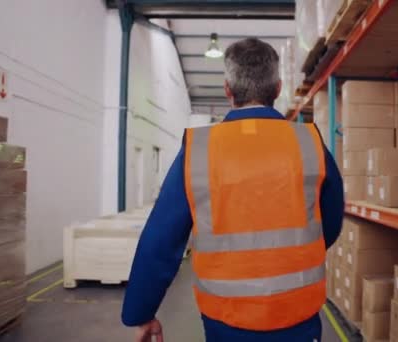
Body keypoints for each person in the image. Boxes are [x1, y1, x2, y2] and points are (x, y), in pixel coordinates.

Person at [122, 38, 344, 342]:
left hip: (226, 319)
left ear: (228, 89)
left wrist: (141, 312)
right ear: (278, 88)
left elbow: (161, 238)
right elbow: (330, 221)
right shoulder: (310, 142)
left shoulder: (198, 150)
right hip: (297, 315)